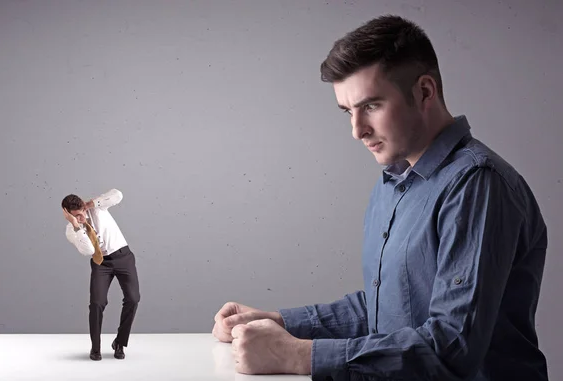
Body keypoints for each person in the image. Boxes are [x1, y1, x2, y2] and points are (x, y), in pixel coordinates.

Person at [212, 14, 548, 381]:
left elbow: (452, 346)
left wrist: (298, 355)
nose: (357, 131)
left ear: (424, 92)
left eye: (371, 106)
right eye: (347, 111)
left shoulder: (478, 185)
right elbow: (390, 310)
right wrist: (281, 322)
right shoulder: (394, 182)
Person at [62, 188, 140, 361]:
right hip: (100, 263)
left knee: (133, 299)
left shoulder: (98, 208)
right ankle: (95, 348)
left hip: (123, 257)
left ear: (83, 206)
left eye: (81, 212)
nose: (80, 216)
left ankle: (120, 343)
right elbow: (88, 250)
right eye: (75, 215)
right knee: (97, 303)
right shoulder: (71, 230)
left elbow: (118, 195)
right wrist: (77, 226)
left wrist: (92, 203)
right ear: (67, 215)